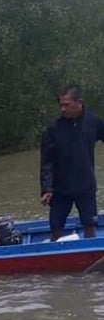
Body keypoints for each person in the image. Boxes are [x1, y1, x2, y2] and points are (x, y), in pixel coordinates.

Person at [40, 84, 104, 240]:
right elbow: (46, 162)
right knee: (56, 227)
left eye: (66, 105)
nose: (62, 109)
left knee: (89, 225)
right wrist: (46, 188)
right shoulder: (53, 129)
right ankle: (55, 256)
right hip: (60, 187)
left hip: (85, 185)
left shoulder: (93, 122)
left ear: (79, 102)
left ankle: (90, 253)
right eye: (61, 105)